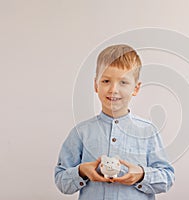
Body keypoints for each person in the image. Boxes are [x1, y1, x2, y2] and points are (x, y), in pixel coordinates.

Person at [54, 44, 175, 200]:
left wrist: (141, 175)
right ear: (95, 85)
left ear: (136, 88)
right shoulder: (81, 132)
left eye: (123, 82)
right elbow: (61, 181)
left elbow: (167, 178)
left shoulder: (147, 131)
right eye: (106, 81)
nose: (113, 89)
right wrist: (82, 171)